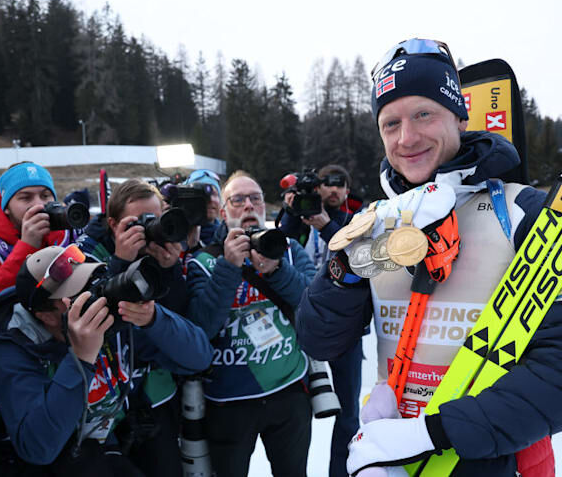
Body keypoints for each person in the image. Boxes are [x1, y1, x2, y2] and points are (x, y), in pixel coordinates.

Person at [296, 38, 562, 476]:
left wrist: (431, 434)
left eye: (423, 114)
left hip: (493, 460)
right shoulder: (374, 221)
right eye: (390, 124)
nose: (406, 138)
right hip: (389, 455)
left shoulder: (524, 213)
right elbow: (319, 340)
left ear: (459, 116)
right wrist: (345, 268)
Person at [0, 245, 212, 476]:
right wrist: (80, 358)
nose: (94, 298)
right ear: (45, 315)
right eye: (77, 294)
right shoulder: (13, 347)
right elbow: (38, 448)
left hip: (104, 446)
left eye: (92, 283)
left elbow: (198, 358)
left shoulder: (111, 321)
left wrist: (153, 318)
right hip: (42, 461)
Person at [186, 170, 316, 477]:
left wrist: (277, 271)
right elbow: (202, 328)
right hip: (229, 399)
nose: (248, 206)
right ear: (222, 212)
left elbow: (314, 305)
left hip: (288, 389)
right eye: (238, 199)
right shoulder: (203, 262)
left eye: (255, 198)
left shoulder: (288, 250)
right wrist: (229, 268)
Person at [77, 179, 197, 477]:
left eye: (153, 220)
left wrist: (171, 271)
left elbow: (183, 318)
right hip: (106, 407)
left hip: (157, 394)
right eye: (136, 223)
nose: (146, 230)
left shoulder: (164, 255)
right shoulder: (89, 260)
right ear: (113, 223)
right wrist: (120, 262)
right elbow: (94, 321)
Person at [277, 164, 364, 477]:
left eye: (340, 184)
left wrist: (327, 225)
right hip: (300, 322)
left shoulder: (355, 217)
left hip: (344, 327)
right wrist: (290, 212)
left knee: (347, 413)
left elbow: (360, 255)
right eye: (327, 184)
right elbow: (279, 245)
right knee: (296, 413)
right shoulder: (299, 214)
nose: (333, 191)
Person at [0, 161, 79, 314]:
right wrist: (27, 245)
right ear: (6, 207)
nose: (38, 204)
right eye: (26, 198)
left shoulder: (69, 234)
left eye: (45, 195)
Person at [184, 169, 223, 248]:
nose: (210, 199)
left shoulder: (225, 236)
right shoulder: (176, 235)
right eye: (203, 194)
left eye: (214, 194)